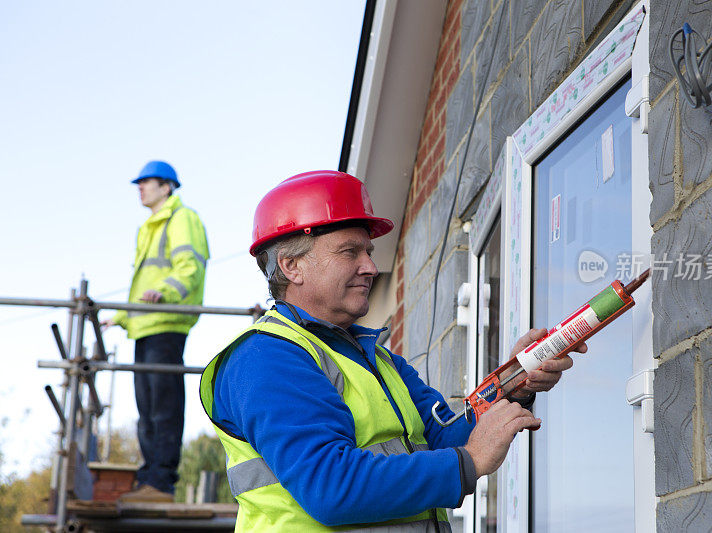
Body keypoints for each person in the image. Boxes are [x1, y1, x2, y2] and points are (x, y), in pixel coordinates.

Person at [200, 170, 581, 530]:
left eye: (368, 251)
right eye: (350, 252)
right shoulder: (266, 358)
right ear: (291, 266)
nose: (370, 266)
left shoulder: (378, 360)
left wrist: (516, 378)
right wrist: (469, 462)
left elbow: (449, 440)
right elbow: (330, 486)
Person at [103, 160, 210, 502]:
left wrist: (166, 292)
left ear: (167, 186)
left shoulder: (182, 218)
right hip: (145, 325)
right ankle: (150, 478)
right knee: (147, 408)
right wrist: (119, 316)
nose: (140, 188)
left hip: (166, 323)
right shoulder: (149, 226)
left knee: (163, 407)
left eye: (146, 182)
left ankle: (161, 483)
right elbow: (142, 285)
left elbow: (190, 267)